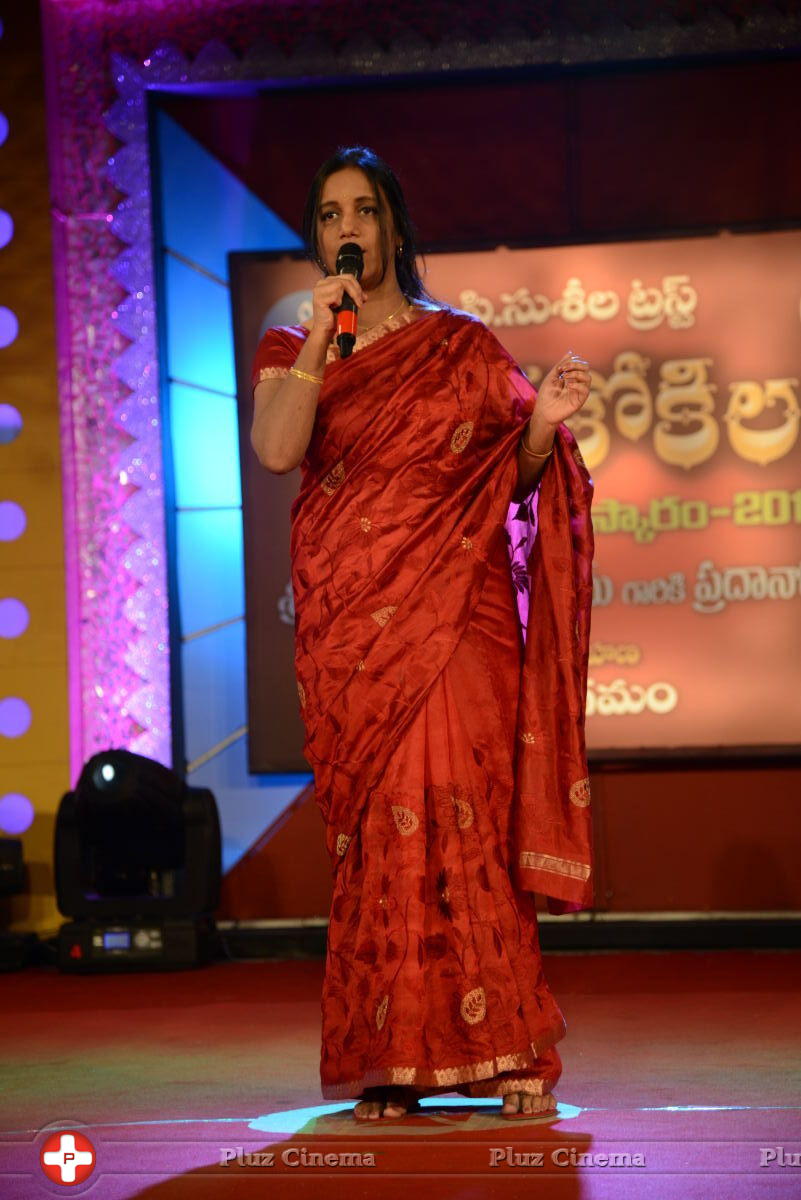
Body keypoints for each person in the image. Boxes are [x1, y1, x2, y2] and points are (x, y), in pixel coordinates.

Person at [250, 146, 595, 1122]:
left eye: (363, 209)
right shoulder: (295, 342)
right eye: (328, 214)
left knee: (463, 816)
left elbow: (520, 483)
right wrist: (321, 338)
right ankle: (395, 1057)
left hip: (461, 618)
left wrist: (545, 427)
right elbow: (279, 448)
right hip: (356, 631)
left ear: (395, 226)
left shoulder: (465, 345)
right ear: (317, 235)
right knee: (382, 836)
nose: (346, 226)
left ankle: (509, 1050)